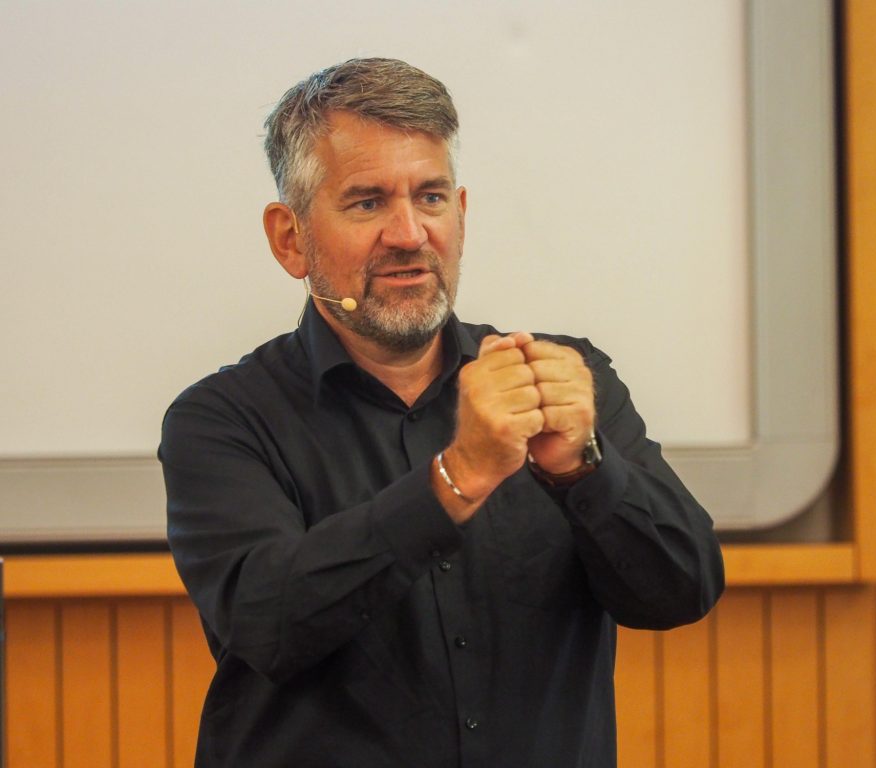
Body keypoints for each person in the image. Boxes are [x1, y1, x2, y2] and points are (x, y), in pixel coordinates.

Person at [160, 57, 724, 768]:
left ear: (460, 213)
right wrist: (457, 479)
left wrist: (584, 470)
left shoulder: (560, 383)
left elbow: (682, 592)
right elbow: (267, 626)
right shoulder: (222, 420)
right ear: (290, 238)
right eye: (367, 203)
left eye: (429, 198)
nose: (409, 234)